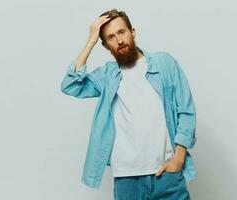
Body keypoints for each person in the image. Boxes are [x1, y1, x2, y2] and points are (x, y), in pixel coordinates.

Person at [61, 8, 197, 200]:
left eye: (122, 32)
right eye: (111, 37)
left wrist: (179, 159)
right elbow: (70, 85)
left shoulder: (163, 63)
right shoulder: (107, 75)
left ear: (132, 32)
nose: (119, 40)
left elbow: (186, 110)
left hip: (167, 174)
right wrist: (90, 41)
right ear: (106, 46)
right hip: (126, 180)